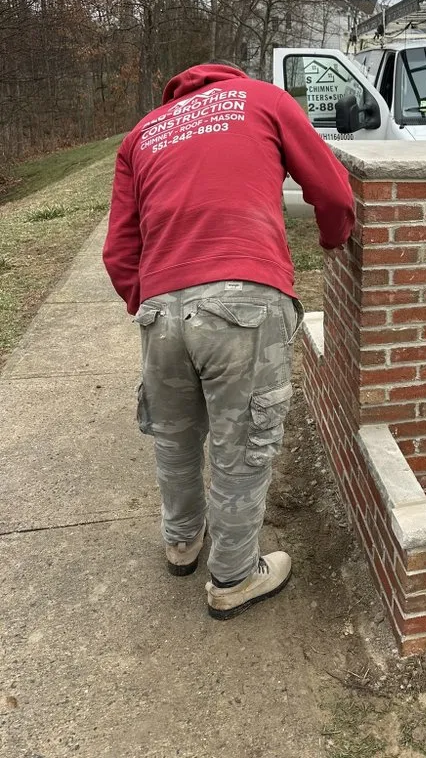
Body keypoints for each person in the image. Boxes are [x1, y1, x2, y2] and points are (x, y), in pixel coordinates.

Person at [103, 61, 354, 619]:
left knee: (174, 438)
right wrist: (334, 239)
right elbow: (333, 192)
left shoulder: (141, 134)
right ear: (230, 77)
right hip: (243, 298)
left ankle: (182, 543)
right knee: (240, 448)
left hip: (161, 307)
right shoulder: (265, 100)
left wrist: (152, 304)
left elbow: (119, 250)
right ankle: (234, 577)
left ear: (175, 92)